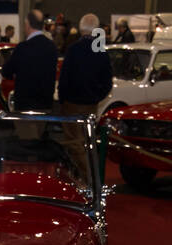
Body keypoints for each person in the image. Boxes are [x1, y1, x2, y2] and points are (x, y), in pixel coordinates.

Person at [57, 14, 111, 178]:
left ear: (81, 29)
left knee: (75, 143)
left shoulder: (73, 49)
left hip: (72, 103)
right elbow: (107, 82)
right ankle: (85, 176)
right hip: (92, 103)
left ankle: (87, 179)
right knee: (87, 142)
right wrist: (97, 96)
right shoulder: (101, 50)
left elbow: (64, 78)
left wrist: (62, 98)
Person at [2, 9, 58, 112]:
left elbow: (7, 71)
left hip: (25, 105)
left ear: (27, 24)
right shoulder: (52, 47)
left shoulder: (22, 47)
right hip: (45, 104)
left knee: (25, 128)